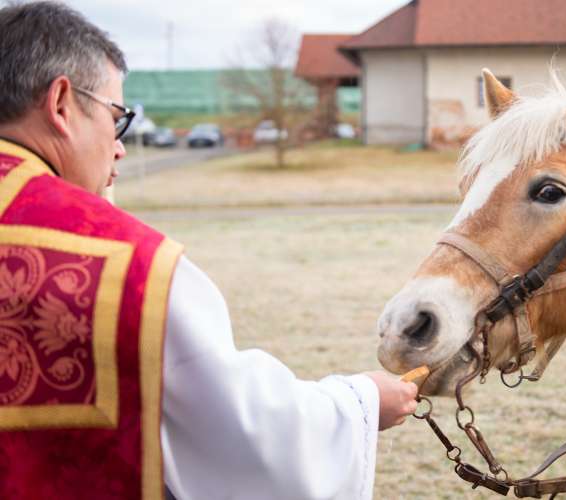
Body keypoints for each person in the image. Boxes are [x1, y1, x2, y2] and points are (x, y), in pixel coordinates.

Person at [0, 3, 418, 499]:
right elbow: (249, 437)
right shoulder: (127, 269)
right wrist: (362, 402)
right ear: (62, 104)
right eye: (118, 118)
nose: (120, 148)